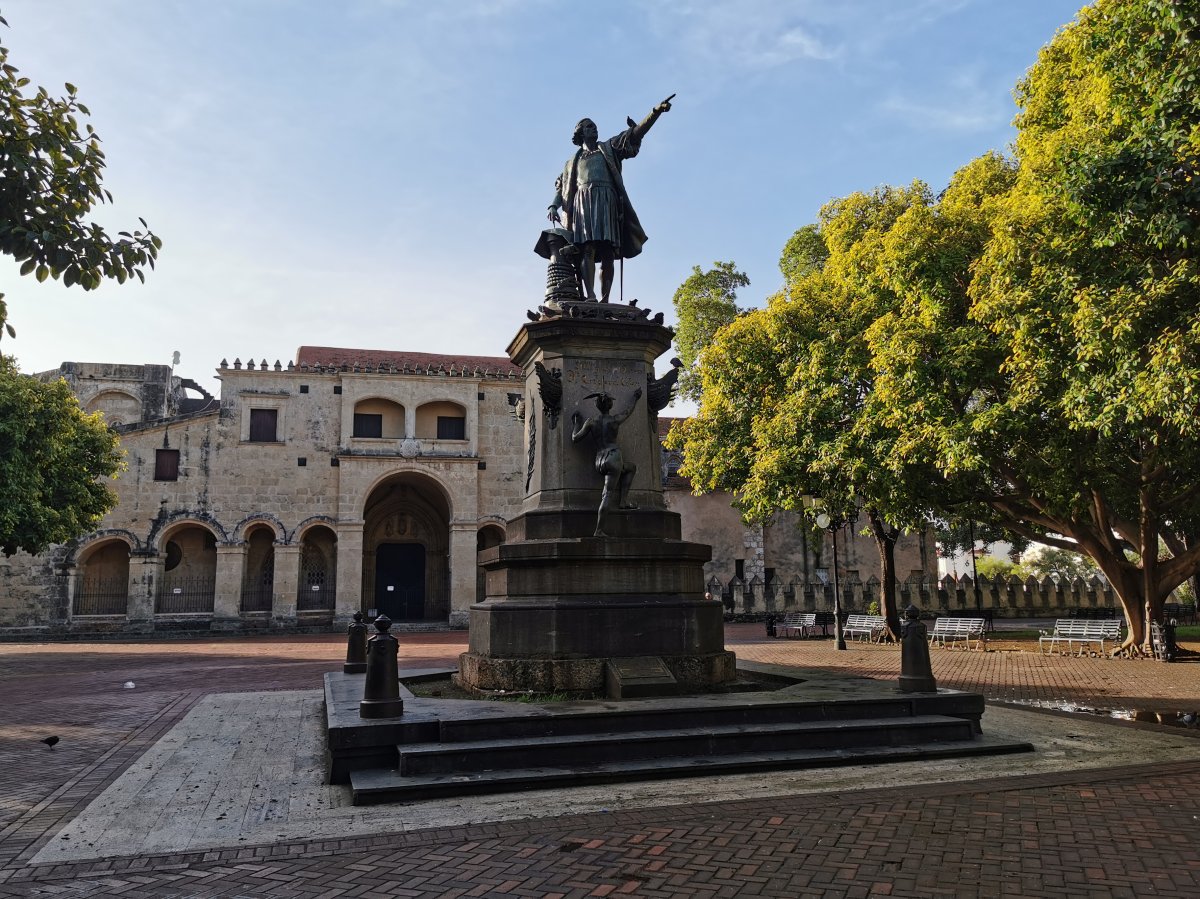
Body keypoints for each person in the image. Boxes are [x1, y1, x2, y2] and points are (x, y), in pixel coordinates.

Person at [548, 95, 674, 302]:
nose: (594, 129)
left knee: (608, 251)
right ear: (580, 134)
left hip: (607, 200)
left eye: (595, 126)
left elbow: (633, 134)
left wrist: (655, 112)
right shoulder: (572, 162)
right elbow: (562, 188)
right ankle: (590, 295)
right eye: (589, 127)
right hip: (583, 204)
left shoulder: (609, 148)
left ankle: (605, 300)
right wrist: (553, 205)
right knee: (587, 248)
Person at [571, 388, 642, 536]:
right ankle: (599, 530)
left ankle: (623, 502)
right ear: (610, 405)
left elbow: (575, 438)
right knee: (607, 494)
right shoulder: (614, 420)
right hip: (613, 456)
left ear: (597, 405)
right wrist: (635, 397)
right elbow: (628, 411)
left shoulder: (591, 421)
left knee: (630, 468)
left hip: (599, 460)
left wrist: (576, 423)